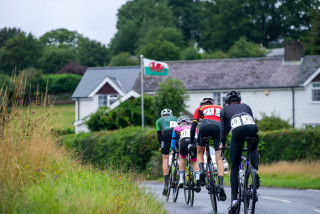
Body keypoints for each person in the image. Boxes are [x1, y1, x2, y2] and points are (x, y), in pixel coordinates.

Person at [219, 91, 260, 214]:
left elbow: (223, 129)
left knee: (235, 166)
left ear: (227, 103)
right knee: (253, 149)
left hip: (238, 131)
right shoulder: (247, 106)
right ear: (240, 101)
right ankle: (256, 171)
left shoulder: (224, 110)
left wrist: (222, 143)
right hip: (253, 128)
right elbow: (251, 120)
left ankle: (235, 201)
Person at [190, 96, 227, 201]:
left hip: (205, 126)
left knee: (199, 152)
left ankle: (201, 170)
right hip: (218, 127)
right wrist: (223, 139)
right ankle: (220, 185)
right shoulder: (220, 108)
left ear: (202, 104)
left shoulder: (200, 108)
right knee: (219, 158)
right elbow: (226, 124)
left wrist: (193, 141)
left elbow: (193, 127)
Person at [171, 115, 201, 193]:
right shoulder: (193, 127)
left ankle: (181, 179)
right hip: (193, 141)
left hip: (183, 141)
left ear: (179, 123)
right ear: (188, 122)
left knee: (182, 158)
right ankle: (197, 179)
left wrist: (174, 150)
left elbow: (173, 143)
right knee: (194, 161)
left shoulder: (176, 128)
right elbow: (198, 139)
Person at [156, 108, 178, 196]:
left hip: (165, 135)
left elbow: (159, 136)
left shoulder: (159, 121)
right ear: (171, 115)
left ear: (162, 116)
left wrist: (162, 146)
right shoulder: (175, 118)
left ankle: (166, 184)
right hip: (176, 134)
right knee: (180, 154)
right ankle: (181, 176)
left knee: (165, 158)